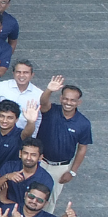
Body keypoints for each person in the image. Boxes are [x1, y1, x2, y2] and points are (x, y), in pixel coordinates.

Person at [35, 75, 91, 209]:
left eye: (73, 100)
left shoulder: (83, 123)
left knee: (50, 201)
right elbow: (43, 102)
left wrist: (72, 172)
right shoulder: (51, 110)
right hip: (39, 162)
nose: (68, 102)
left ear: (79, 102)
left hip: (60, 168)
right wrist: (49, 90)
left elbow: (82, 148)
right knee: (30, 194)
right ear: (60, 98)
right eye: (65, 98)